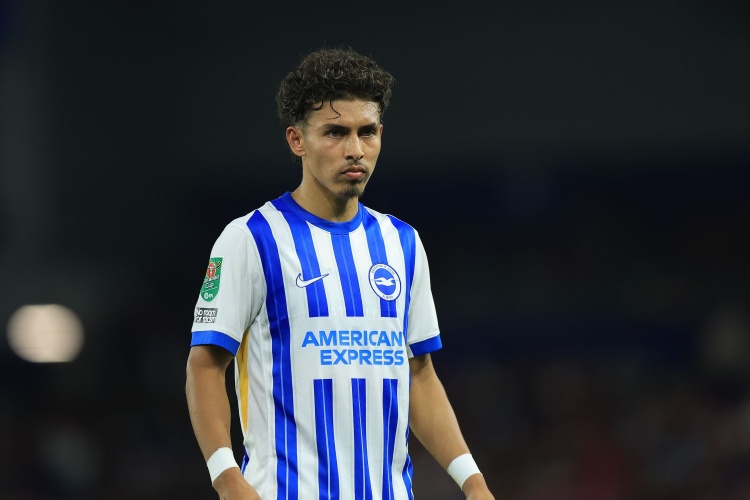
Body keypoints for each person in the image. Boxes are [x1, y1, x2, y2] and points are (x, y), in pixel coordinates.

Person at [186, 47, 495, 500]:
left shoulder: (402, 243)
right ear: (297, 140)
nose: (355, 150)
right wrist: (226, 476)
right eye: (335, 132)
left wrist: (473, 481)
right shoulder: (250, 239)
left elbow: (419, 375)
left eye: (366, 132)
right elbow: (205, 365)